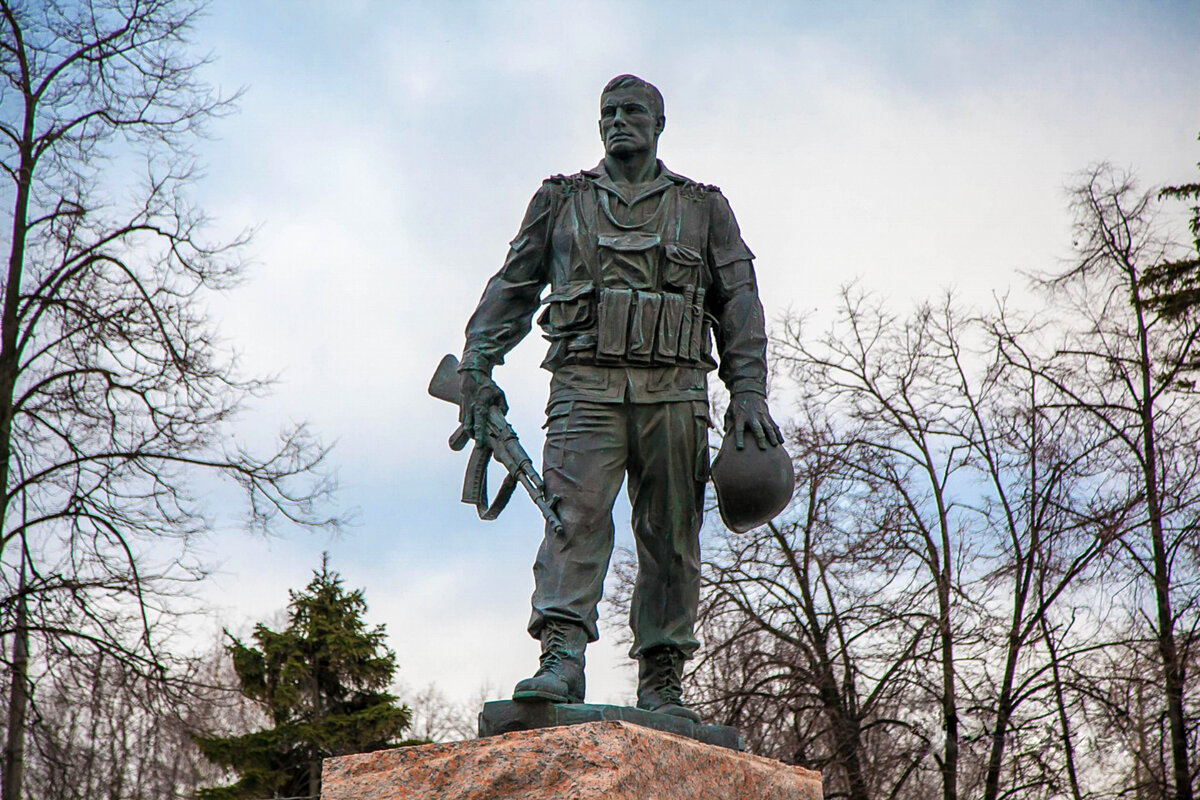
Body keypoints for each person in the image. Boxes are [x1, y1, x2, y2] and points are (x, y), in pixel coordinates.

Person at [457, 74, 782, 722]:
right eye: (608, 112)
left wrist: (748, 389)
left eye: (632, 111)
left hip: (676, 392)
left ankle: (662, 678)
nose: (618, 121)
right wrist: (476, 363)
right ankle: (561, 658)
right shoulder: (560, 202)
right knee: (570, 520)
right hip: (585, 389)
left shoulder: (703, 208)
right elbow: (514, 286)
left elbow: (739, 300)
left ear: (659, 124)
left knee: (671, 538)